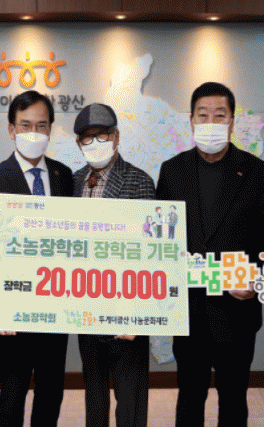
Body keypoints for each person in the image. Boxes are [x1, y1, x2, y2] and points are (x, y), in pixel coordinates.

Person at [156, 82, 264, 427]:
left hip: (237, 312)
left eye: (219, 115)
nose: (211, 122)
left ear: (232, 122)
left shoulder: (257, 172)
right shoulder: (172, 170)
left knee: (234, 400)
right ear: (191, 121)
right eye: (203, 115)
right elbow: (161, 238)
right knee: (189, 397)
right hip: (189, 312)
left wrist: (255, 277)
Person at [0, 90, 73, 427]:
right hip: (16, 307)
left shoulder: (64, 176)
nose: (34, 132)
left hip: (56, 303)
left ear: (50, 130)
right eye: (25, 125)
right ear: (11, 129)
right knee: (13, 393)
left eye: (41, 125)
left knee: (51, 390)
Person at [73, 103, 154, 427]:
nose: (95, 142)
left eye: (102, 135)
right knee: (94, 396)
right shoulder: (72, 182)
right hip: (86, 306)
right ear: (79, 143)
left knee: (130, 402)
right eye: (87, 137)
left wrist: (139, 311)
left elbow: (151, 253)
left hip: (127, 311)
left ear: (117, 137)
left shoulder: (139, 180)